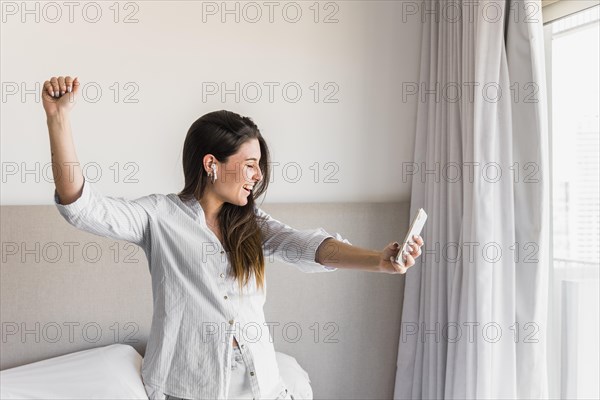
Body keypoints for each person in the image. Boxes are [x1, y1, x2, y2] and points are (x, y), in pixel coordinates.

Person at [43, 75, 424, 400]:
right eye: (250, 165)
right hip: (187, 388)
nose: (257, 176)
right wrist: (59, 120)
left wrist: (378, 259)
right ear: (212, 164)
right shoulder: (158, 217)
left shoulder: (251, 223)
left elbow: (307, 246)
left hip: (263, 386)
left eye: (259, 166)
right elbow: (84, 207)